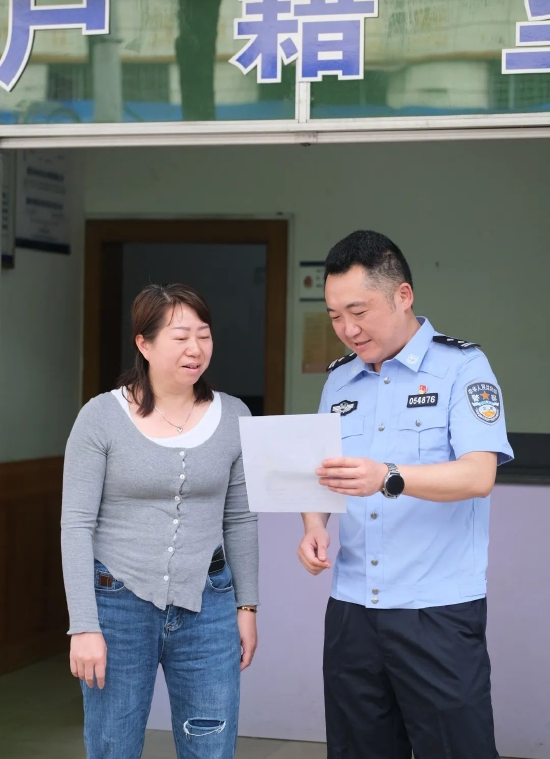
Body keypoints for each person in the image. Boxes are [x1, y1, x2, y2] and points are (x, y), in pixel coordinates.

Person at [297, 230, 513, 759]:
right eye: (334, 316)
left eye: (358, 312)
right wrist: (314, 526)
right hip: (352, 611)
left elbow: (478, 475)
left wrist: (389, 476)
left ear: (403, 295)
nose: (347, 329)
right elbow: (322, 473)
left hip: (435, 611)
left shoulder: (462, 367)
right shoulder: (339, 381)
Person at [61, 283, 259, 759]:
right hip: (117, 606)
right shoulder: (100, 417)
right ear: (144, 344)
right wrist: (83, 626)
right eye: (180, 337)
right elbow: (76, 525)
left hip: (208, 605)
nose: (196, 349)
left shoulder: (234, 415)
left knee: (211, 746)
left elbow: (240, 520)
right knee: (113, 746)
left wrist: (247, 607)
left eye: (204, 335)